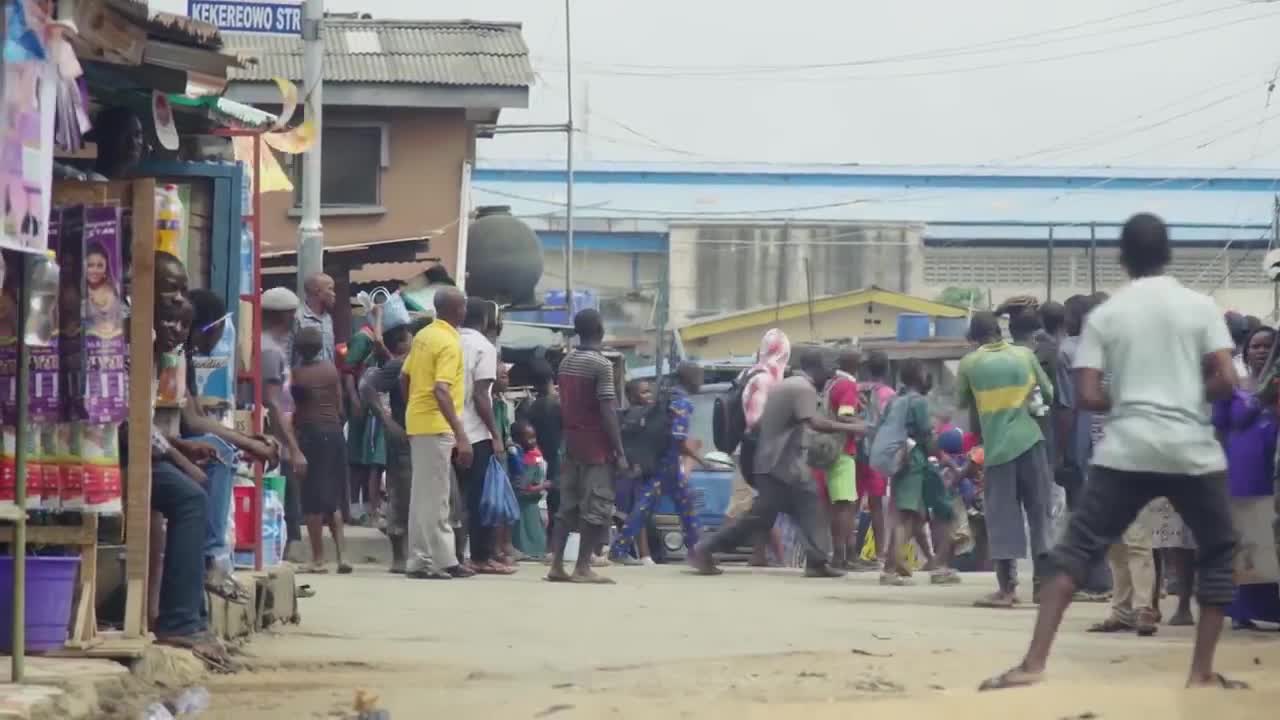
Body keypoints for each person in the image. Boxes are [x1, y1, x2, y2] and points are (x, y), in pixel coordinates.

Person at [981, 212, 1245, 692]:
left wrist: (1134, 398)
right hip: (1191, 451)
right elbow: (1227, 380)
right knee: (1219, 549)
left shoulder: (1107, 315)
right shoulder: (1201, 306)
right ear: (1169, 254)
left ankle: (1034, 662)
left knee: (1077, 548)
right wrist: (1184, 396)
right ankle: (1200, 671)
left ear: (1122, 259)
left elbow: (1087, 395)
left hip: (1126, 449)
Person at [690, 349, 862, 577]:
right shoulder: (803, 389)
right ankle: (705, 549)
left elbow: (760, 423)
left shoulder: (785, 385)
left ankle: (817, 561)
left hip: (773, 463)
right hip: (783, 466)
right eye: (828, 374)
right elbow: (813, 422)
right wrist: (852, 427)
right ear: (817, 369)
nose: (829, 379)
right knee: (798, 508)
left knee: (792, 511)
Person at [147, 252, 220, 661]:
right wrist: (182, 458)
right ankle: (179, 622)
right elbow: (126, 425)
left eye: (180, 291)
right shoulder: (129, 340)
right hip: (108, 457)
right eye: (168, 289)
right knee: (190, 496)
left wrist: (183, 449)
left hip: (140, 449)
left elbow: (140, 424)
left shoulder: (161, 351)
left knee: (199, 482)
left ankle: (194, 618)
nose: (176, 304)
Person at [957, 311, 1055, 608]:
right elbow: (1048, 394)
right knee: (1040, 515)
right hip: (1031, 441)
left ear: (972, 339)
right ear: (999, 332)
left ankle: (1008, 589)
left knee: (1001, 517)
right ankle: (1043, 587)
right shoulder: (1025, 355)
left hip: (998, 447)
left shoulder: (970, 363)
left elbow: (964, 402)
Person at [182, 289, 277, 594]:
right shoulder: (176, 353)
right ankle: (212, 556)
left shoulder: (186, 356)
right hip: (162, 439)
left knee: (224, 448)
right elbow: (193, 421)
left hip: (176, 436)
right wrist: (247, 444)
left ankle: (215, 555)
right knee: (220, 452)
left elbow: (195, 414)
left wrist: (246, 439)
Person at [546, 309, 626, 584]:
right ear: (600, 329)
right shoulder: (601, 364)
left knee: (567, 507)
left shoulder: (567, 361)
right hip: (595, 445)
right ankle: (582, 566)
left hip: (571, 442)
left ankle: (556, 564)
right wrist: (620, 451)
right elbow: (607, 409)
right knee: (596, 506)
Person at [401, 287, 474, 580]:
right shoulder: (448, 342)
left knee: (422, 497)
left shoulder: (424, 336)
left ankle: (419, 560)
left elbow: (404, 377)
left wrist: (413, 409)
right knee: (437, 498)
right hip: (436, 425)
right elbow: (441, 389)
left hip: (419, 422)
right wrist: (461, 433)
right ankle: (443, 560)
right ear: (460, 310)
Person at [872, 359, 958, 586]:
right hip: (915, 463)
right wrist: (947, 460)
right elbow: (927, 438)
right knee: (909, 516)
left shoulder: (894, 401)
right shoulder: (918, 402)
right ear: (920, 377)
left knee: (918, 516)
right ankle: (891, 569)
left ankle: (935, 564)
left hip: (902, 462)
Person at [611, 362, 706, 562]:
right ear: (690, 379)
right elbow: (678, 439)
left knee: (679, 503)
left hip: (659, 459)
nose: (702, 382)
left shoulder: (667, 396)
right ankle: (697, 551)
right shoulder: (682, 402)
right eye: (700, 377)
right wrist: (700, 460)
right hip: (667, 462)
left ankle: (697, 550)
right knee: (650, 505)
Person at [1054, 294, 1114, 603]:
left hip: (1083, 440)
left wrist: (1062, 452)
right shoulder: (1115, 349)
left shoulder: (1068, 350)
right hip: (1113, 438)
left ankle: (1095, 580)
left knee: (1082, 511)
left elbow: (1068, 407)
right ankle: (1107, 580)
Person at [1220, 325, 1280, 630]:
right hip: (1244, 467)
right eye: (1255, 346)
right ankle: (1242, 610)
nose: (1260, 351)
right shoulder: (1236, 386)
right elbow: (1226, 422)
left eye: (1267, 346)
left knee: (1272, 538)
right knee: (1249, 538)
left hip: (1273, 467)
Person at [455, 298, 512, 575]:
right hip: (475, 433)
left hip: (447, 430)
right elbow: (481, 395)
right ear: (487, 320)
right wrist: (495, 433)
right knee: (480, 498)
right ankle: (480, 556)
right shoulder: (484, 347)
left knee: (454, 498)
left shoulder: (450, 340)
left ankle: (455, 555)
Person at [291, 326, 351, 574]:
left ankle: (318, 559)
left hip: (312, 434)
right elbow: (339, 403)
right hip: (335, 433)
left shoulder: (297, 375)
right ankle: (342, 556)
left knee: (312, 500)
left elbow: (294, 409)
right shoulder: (330, 370)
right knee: (332, 497)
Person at [361, 321, 419, 573]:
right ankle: (399, 556)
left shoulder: (417, 363)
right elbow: (367, 387)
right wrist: (387, 421)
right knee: (401, 493)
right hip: (403, 439)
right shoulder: (397, 365)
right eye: (411, 338)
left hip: (421, 436)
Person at [737, 328, 792, 566]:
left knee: (767, 503)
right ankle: (711, 548)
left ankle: (762, 555)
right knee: (763, 504)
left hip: (759, 449)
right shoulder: (765, 379)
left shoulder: (752, 373)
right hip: (761, 450)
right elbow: (755, 420)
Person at [260, 287, 306, 560]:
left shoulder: (274, 347)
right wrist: (293, 447)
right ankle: (280, 556)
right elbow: (273, 402)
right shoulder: (269, 350)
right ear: (285, 316)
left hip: (283, 434)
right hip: (276, 439)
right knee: (283, 502)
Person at [343, 304, 387, 526]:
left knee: (365, 458)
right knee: (358, 459)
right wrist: (354, 399)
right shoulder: (364, 339)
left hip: (371, 406)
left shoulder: (379, 340)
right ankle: (355, 508)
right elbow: (348, 370)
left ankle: (362, 508)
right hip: (361, 404)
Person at [854, 349, 896, 570]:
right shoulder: (889, 394)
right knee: (877, 505)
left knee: (851, 502)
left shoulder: (856, 389)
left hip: (856, 450)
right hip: (878, 453)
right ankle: (880, 554)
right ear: (887, 369)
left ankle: (847, 552)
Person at [823, 350, 861, 569]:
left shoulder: (832, 383)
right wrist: (864, 425)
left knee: (838, 505)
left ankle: (841, 554)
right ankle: (842, 556)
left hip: (829, 450)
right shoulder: (847, 385)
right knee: (845, 505)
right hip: (842, 450)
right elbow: (845, 415)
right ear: (856, 364)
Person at [613, 378, 657, 564]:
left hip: (637, 470)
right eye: (643, 392)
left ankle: (634, 552)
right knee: (634, 512)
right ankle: (640, 554)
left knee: (633, 513)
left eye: (649, 391)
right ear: (631, 396)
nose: (649, 396)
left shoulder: (623, 416)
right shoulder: (636, 415)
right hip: (631, 470)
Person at [523, 359, 563, 539]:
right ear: (552, 377)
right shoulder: (558, 405)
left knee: (548, 507)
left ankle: (549, 546)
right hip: (559, 459)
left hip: (538, 460)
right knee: (560, 507)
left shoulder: (530, 408)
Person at [512, 420, 550, 559]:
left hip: (532, 505)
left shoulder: (534, 454)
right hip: (523, 506)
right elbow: (523, 488)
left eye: (534, 437)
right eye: (529, 438)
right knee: (525, 532)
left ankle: (536, 552)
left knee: (535, 531)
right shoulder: (520, 460)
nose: (533, 441)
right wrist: (544, 486)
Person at [293, 272, 335, 366]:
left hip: (326, 377)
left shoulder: (327, 318)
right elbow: (289, 353)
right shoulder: (298, 317)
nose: (333, 294)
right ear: (317, 292)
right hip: (304, 378)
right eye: (330, 289)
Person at [84, 242, 124, 339]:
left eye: (100, 265)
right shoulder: (78, 292)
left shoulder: (115, 290)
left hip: (113, 346)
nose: (95, 270)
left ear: (106, 267)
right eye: (90, 265)